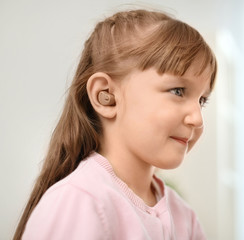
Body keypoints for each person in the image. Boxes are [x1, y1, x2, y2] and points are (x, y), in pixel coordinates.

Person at [14, 8, 217, 240]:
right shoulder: (80, 201)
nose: (197, 119)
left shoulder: (184, 217)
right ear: (106, 96)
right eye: (178, 91)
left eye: (202, 100)